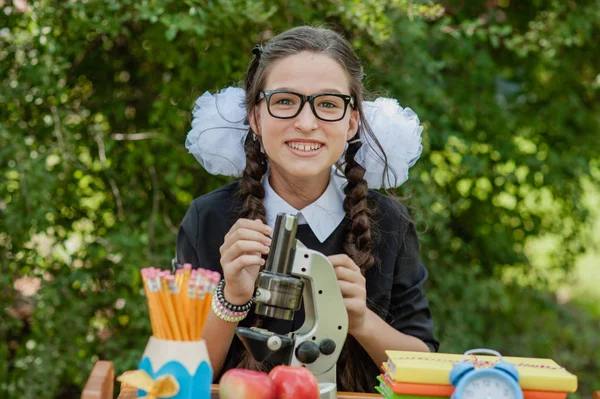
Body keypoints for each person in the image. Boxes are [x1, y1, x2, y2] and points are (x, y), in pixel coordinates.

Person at [176, 25, 439, 393]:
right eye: (285, 101)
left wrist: (361, 320)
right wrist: (231, 298)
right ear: (255, 117)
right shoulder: (208, 219)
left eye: (328, 104)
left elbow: (426, 366)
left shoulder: (389, 222)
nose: (306, 122)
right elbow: (175, 378)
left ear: (351, 121)